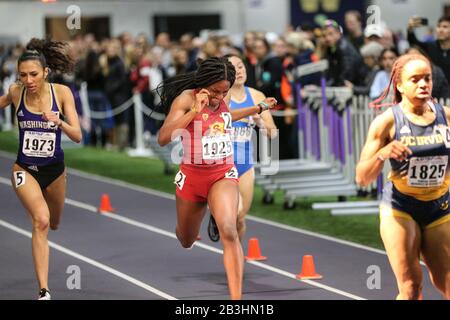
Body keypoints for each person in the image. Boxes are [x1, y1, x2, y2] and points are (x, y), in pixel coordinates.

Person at [156, 56, 277, 300]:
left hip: (221, 173)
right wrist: (194, 111)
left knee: (230, 231)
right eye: (215, 92)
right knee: (186, 239)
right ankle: (191, 226)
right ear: (204, 83)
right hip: (191, 178)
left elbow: (227, 116)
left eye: (224, 91)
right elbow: (164, 137)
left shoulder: (223, 99)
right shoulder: (186, 99)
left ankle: (236, 300)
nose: (219, 97)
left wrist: (258, 108)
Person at [356, 53, 450, 299]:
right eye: (415, 79)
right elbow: (361, 177)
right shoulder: (386, 122)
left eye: (427, 78)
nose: (423, 85)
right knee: (410, 287)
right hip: (401, 208)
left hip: (440, 205)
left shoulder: (446, 117)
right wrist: (383, 153)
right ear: (399, 84)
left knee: (447, 284)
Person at [0, 38, 82, 300]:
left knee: (54, 222)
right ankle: (44, 291)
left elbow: (78, 135)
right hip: (25, 168)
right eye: (22, 75)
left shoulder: (62, 94)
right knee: (41, 220)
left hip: (55, 170)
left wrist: (59, 122)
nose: (28, 80)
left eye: (33, 74)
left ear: (45, 72)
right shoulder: (16, 92)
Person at [207, 54, 277, 243]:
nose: (238, 71)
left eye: (240, 66)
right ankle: (220, 219)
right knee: (232, 213)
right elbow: (211, 123)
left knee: (240, 218)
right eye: (233, 67)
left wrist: (259, 120)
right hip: (222, 163)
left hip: (245, 163)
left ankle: (236, 256)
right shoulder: (221, 96)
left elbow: (273, 133)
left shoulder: (256, 96)